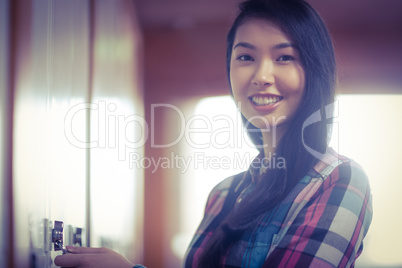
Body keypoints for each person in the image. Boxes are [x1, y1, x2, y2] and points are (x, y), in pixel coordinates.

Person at [55, 0, 373, 267]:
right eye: (245, 57)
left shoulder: (341, 180)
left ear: (315, 70)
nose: (262, 76)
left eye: (284, 57)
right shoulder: (223, 194)